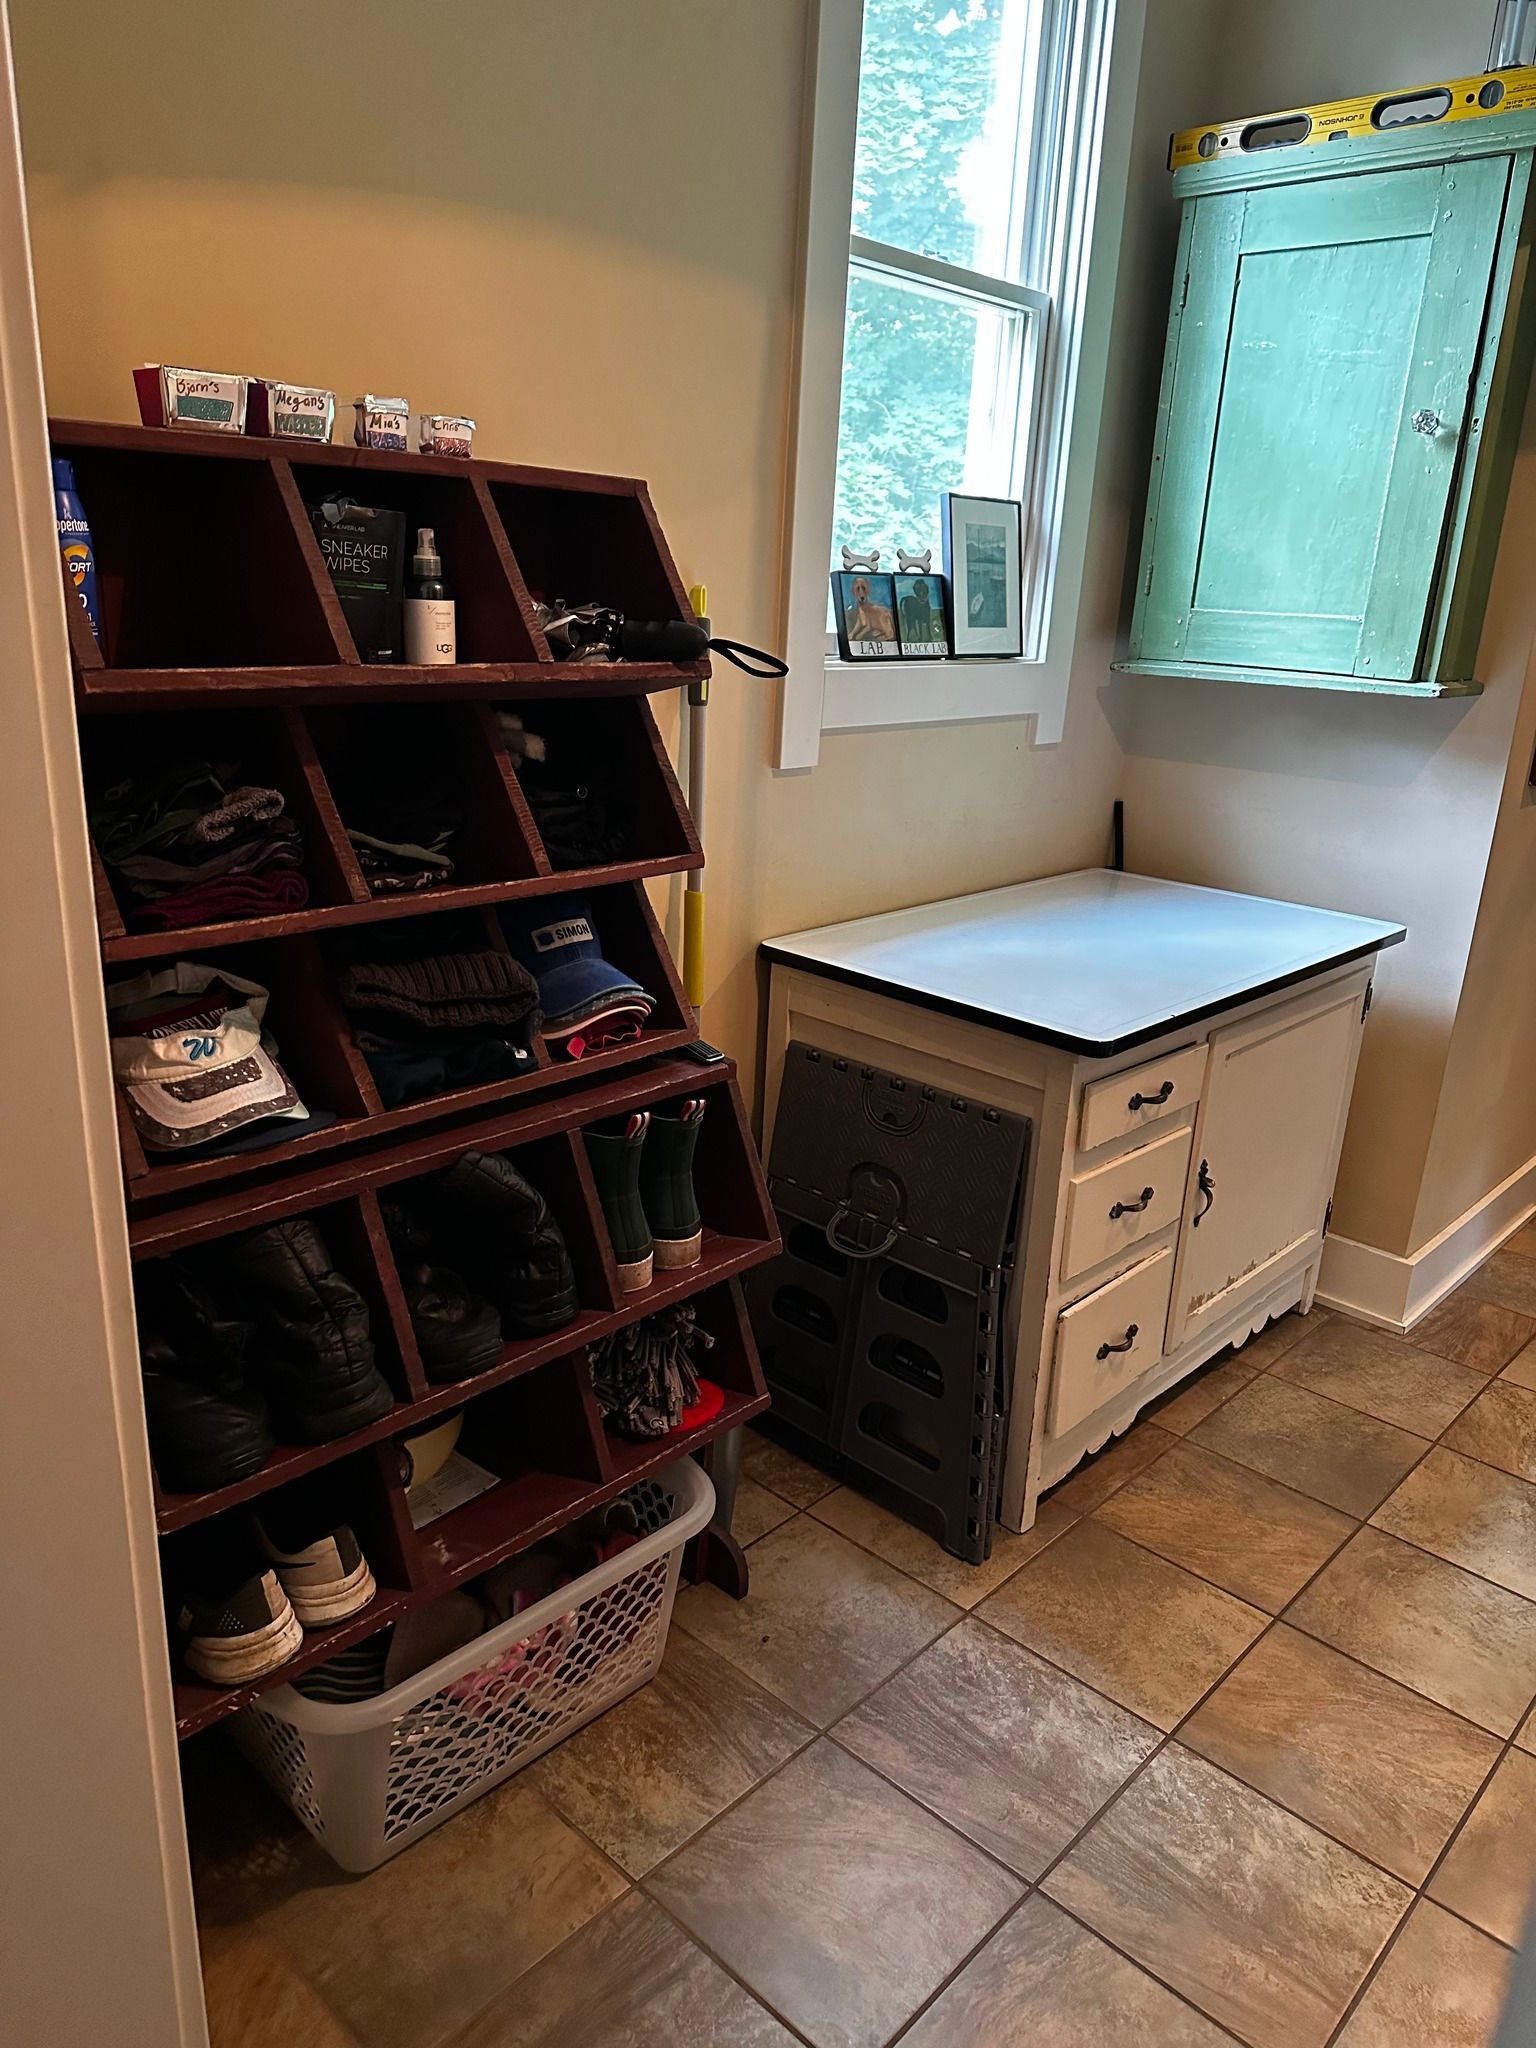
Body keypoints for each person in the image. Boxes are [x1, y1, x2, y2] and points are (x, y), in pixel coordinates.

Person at [844, 575, 895, 644]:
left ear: (868, 590)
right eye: (858, 589)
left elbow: (868, 626)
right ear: (854, 592)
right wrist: (852, 633)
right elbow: (860, 623)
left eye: (864, 588)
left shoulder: (873, 609)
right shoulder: (860, 611)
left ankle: (887, 634)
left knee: (884, 617)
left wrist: (860, 634)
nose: (861, 593)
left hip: (885, 617)